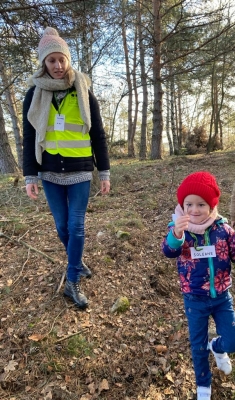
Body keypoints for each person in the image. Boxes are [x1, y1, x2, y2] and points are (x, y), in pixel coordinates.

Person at [22, 27, 110, 309]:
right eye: (52, 61)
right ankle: (76, 260)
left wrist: (105, 172)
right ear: (43, 63)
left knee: (76, 225)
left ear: (68, 60)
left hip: (81, 171)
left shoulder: (83, 91)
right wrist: (29, 175)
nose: (58, 66)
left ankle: (72, 281)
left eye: (62, 59)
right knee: (62, 227)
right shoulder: (33, 95)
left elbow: (98, 134)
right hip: (49, 172)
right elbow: (28, 137)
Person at [161, 171, 235, 400]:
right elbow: (169, 251)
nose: (194, 210)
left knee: (234, 342)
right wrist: (176, 233)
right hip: (194, 299)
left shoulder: (223, 229)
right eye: (189, 204)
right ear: (182, 205)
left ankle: (217, 347)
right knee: (197, 345)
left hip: (221, 298)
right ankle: (203, 384)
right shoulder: (180, 230)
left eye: (201, 204)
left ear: (211, 206)